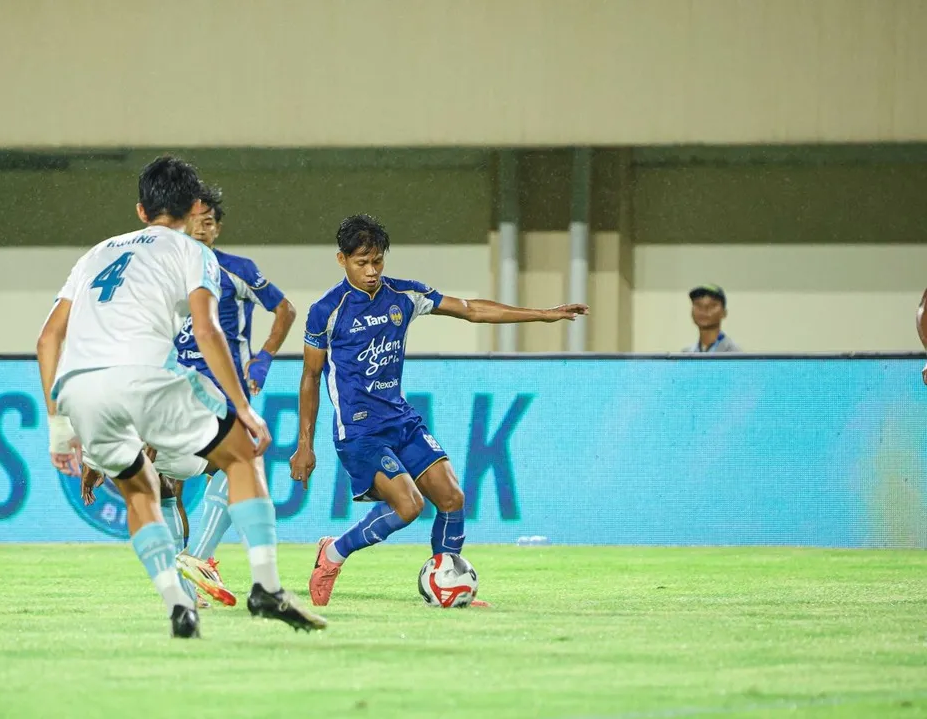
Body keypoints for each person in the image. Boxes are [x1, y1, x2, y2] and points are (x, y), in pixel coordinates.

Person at [37, 156, 326, 637]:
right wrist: (244, 409)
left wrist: (59, 426)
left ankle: (178, 604)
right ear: (194, 207)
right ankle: (267, 587)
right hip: (145, 373)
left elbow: (48, 339)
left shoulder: (94, 254)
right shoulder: (194, 253)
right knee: (242, 453)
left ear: (139, 210)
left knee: (138, 489)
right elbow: (209, 331)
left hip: (79, 387)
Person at [288, 214, 588, 607]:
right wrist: (304, 444)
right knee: (409, 505)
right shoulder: (327, 310)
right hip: (359, 432)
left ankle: (448, 585)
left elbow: (471, 309)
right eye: (362, 263)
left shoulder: (404, 296)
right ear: (341, 260)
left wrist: (543, 314)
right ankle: (333, 553)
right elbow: (310, 377)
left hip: (401, 420)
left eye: (378, 261)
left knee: (451, 497)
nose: (372, 271)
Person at [163, 185, 298, 608]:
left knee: (233, 467)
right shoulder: (166, 273)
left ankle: (193, 568)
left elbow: (285, 310)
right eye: (194, 218)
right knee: (184, 484)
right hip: (173, 390)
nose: (201, 227)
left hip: (221, 391)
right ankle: (194, 568)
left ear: (217, 229)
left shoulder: (236, 270)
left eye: (209, 220)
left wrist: (263, 359)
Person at [682, 284, 742, 353]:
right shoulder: (686, 355)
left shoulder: (734, 354)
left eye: (712, 305)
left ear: (724, 313)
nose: (704, 309)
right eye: (698, 304)